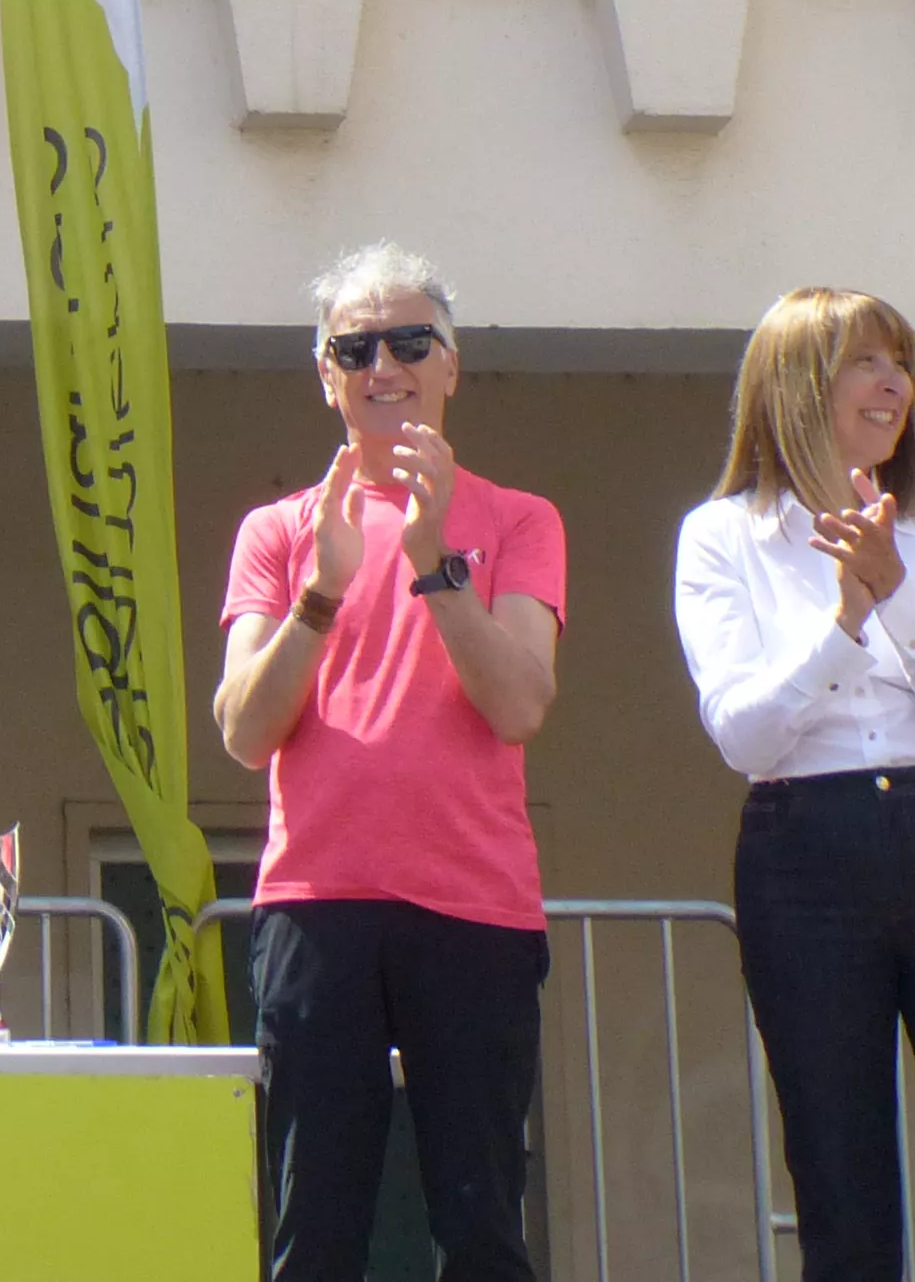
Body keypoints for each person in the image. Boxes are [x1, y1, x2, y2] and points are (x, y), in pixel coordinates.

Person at [675, 289, 915, 1282]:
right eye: (864, 362)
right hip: (804, 841)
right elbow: (744, 735)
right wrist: (841, 624)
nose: (892, 384)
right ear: (797, 386)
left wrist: (896, 592)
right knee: (835, 1170)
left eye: (900, 363)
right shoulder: (724, 536)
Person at [214, 243, 564, 1282]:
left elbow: (519, 702)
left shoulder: (517, 518)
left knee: (482, 1228)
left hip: (474, 906)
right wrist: (321, 592)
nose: (384, 365)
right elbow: (241, 729)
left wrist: (429, 560)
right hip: (317, 901)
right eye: (354, 346)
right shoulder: (279, 531)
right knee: (313, 1230)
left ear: (451, 365)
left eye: (411, 341)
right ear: (326, 376)